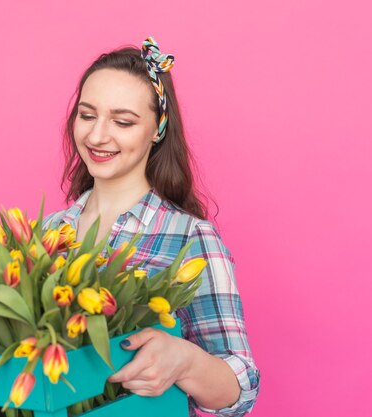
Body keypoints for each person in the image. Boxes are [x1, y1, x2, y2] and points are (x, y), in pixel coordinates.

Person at [42, 37, 260, 417]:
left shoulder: (190, 238)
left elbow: (238, 391)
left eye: (123, 121)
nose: (96, 136)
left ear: (157, 129)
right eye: (87, 115)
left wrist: (185, 361)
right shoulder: (47, 232)